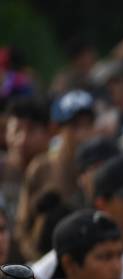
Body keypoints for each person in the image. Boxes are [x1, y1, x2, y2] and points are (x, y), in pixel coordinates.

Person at [16, 90, 96, 262]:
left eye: (88, 125)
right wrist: (40, 267)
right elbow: (22, 227)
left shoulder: (99, 167)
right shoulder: (41, 168)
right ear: (57, 129)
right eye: (75, 127)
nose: (82, 134)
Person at [1, 97, 50, 213]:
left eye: (31, 130)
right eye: (17, 130)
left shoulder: (56, 174)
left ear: (49, 133)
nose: (22, 140)